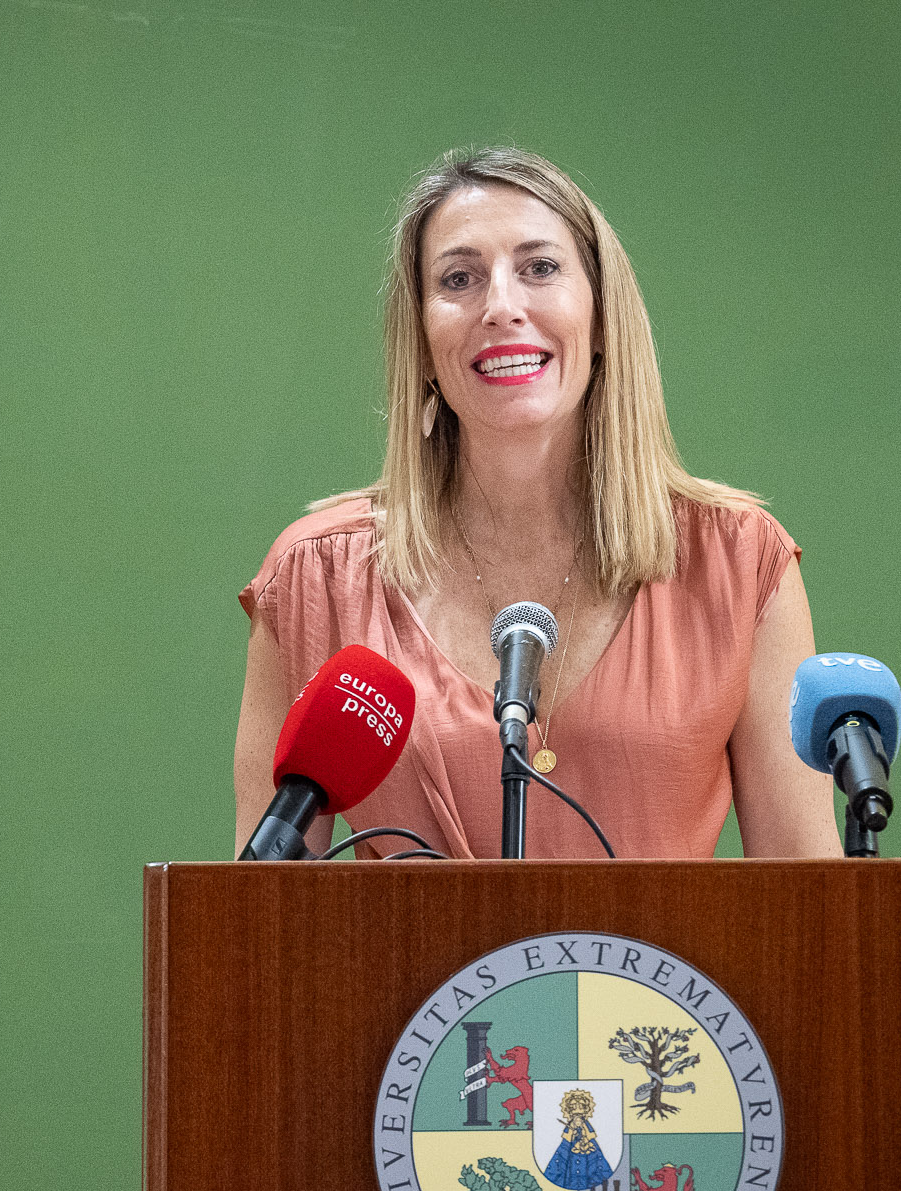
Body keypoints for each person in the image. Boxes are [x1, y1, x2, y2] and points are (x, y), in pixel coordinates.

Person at [235, 147, 840, 860]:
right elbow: (263, 924)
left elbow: (808, 905)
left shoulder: (739, 563)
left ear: (602, 315)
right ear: (423, 345)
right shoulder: (315, 579)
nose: (500, 306)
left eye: (539, 268)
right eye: (458, 278)